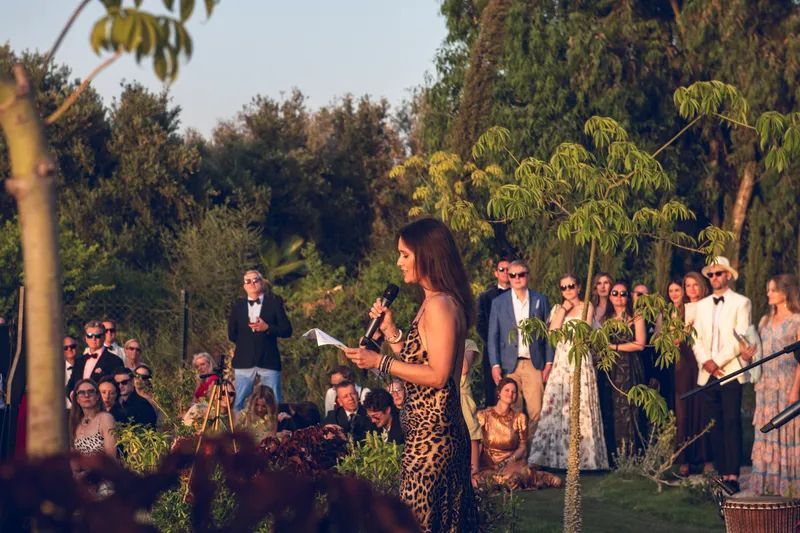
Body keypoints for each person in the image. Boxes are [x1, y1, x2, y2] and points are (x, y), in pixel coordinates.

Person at [344, 217, 477, 532]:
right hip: (426, 436)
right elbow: (419, 363)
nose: (398, 262)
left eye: (405, 254)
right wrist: (391, 331)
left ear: (426, 255)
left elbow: (439, 375)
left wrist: (380, 362)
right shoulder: (431, 302)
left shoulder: (441, 305)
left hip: (434, 442)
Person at [529, 274, 608, 470]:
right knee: (557, 405)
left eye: (571, 286)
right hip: (562, 361)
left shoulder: (586, 306)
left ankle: (586, 460)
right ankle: (555, 459)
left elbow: (586, 330)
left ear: (579, 287)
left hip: (579, 358)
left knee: (581, 405)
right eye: (563, 288)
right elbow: (553, 335)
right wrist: (563, 310)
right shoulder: (558, 309)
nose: (568, 291)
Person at [692, 257, 754, 494]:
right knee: (715, 424)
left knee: (731, 422)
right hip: (707, 372)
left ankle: (733, 474)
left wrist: (716, 362)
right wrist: (706, 362)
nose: (715, 278)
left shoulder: (742, 303)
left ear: (728, 275)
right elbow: (695, 338)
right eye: (711, 274)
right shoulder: (702, 305)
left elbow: (741, 338)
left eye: (719, 273)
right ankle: (720, 471)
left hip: (730, 371)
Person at [487, 259, 552, 433]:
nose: (517, 278)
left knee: (536, 411)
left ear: (527, 276)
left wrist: (549, 363)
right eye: (513, 275)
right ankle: (514, 456)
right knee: (512, 412)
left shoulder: (540, 300)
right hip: (509, 365)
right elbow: (493, 336)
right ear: (508, 277)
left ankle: (533, 457)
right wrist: (495, 365)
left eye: (521, 274)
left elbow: (548, 334)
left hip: (534, 363)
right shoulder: (498, 303)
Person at [749, 274, 800, 496]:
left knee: (788, 431)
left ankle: (790, 486)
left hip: (788, 384)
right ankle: (769, 484)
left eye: (772, 290)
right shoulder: (764, 321)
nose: (768, 293)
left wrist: (796, 389)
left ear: (786, 292)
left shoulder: (797, 320)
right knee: (767, 431)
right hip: (766, 386)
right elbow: (759, 353)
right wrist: (747, 355)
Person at [477, 378, 562, 490]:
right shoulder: (484, 416)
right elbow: (477, 444)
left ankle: (534, 478)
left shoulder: (519, 418)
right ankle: (511, 482)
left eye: (514, 392)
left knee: (515, 477)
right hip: (489, 466)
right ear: (499, 392)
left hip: (512, 464)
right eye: (507, 390)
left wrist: (508, 461)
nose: (510, 394)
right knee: (495, 478)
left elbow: (522, 447)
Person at [228, 269, 293, 408]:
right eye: (248, 281)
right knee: (238, 402)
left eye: (255, 280)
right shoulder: (237, 306)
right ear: (244, 286)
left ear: (261, 283)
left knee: (274, 402)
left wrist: (268, 328)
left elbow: (287, 330)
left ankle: (277, 429)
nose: (252, 283)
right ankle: (238, 430)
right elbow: (232, 334)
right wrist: (247, 344)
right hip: (244, 361)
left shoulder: (274, 303)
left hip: (269, 360)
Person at [601, 281, 646, 463]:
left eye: (623, 293)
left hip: (629, 367)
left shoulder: (636, 317)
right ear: (610, 296)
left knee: (630, 409)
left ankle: (632, 455)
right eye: (615, 293)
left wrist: (614, 346)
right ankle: (615, 457)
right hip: (610, 369)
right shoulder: (605, 319)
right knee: (613, 409)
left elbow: (640, 344)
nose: (619, 297)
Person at [681, 271, 713, 473]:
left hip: (704, 359)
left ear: (702, 286)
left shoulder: (710, 306)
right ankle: (685, 457)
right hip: (684, 361)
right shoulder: (680, 308)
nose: (692, 289)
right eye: (688, 286)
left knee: (704, 407)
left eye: (695, 285)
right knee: (685, 408)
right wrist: (686, 328)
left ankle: (707, 457)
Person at [476, 258, 510, 407]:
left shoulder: (522, 295)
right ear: (496, 273)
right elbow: (480, 325)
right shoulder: (485, 297)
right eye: (502, 269)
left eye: (509, 269)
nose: (506, 272)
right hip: (492, 352)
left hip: (516, 352)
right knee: (493, 394)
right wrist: (493, 344)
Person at [67, 321, 124, 397]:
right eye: (90, 335)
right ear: (86, 338)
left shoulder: (115, 361)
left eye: (97, 336)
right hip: (79, 406)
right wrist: (73, 395)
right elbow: (70, 385)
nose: (93, 338)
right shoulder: (79, 361)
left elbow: (118, 388)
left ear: (103, 337)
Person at [70, 379, 116, 459]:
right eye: (81, 392)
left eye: (91, 391)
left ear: (97, 396)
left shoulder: (106, 418)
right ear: (77, 399)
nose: (86, 395)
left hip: (103, 470)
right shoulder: (75, 422)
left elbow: (111, 457)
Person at [461, 339, 482, 478]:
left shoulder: (468, 344)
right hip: (440, 396)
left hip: (462, 396)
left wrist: (454, 339)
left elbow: (464, 368)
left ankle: (474, 473)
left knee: (472, 432)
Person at [64, 335, 78, 409]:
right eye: (65, 348)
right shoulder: (57, 370)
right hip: (64, 411)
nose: (69, 349)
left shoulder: (86, 365)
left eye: (72, 346)